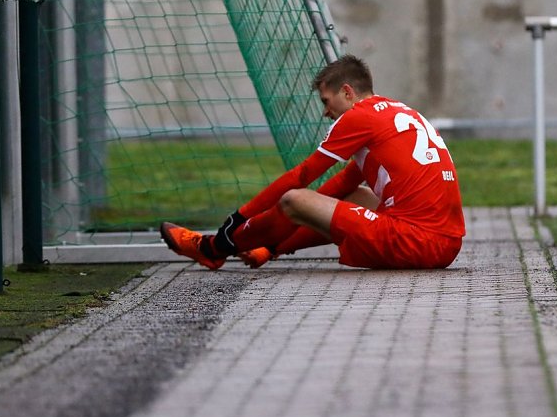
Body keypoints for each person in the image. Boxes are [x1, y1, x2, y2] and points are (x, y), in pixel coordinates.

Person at [160, 55, 465, 270]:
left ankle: (213, 249)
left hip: (417, 243)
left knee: (294, 200)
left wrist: (239, 218)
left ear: (347, 92)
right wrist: (272, 238)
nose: (325, 112)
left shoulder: (359, 117)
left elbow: (302, 176)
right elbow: (343, 184)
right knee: (348, 197)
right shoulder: (397, 113)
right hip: (446, 245)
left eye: (326, 101)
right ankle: (267, 247)